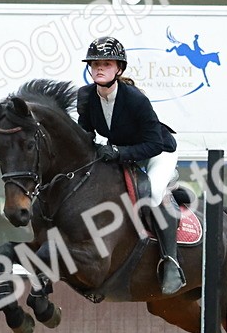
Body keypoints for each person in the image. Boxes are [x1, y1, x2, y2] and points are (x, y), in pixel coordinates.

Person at [75, 36, 185, 295]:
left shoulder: (135, 99)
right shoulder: (86, 97)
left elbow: (154, 144)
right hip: (125, 154)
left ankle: (171, 262)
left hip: (158, 153)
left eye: (107, 64)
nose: (99, 68)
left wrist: (118, 152)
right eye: (95, 64)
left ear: (119, 69)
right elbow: (84, 134)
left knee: (154, 193)